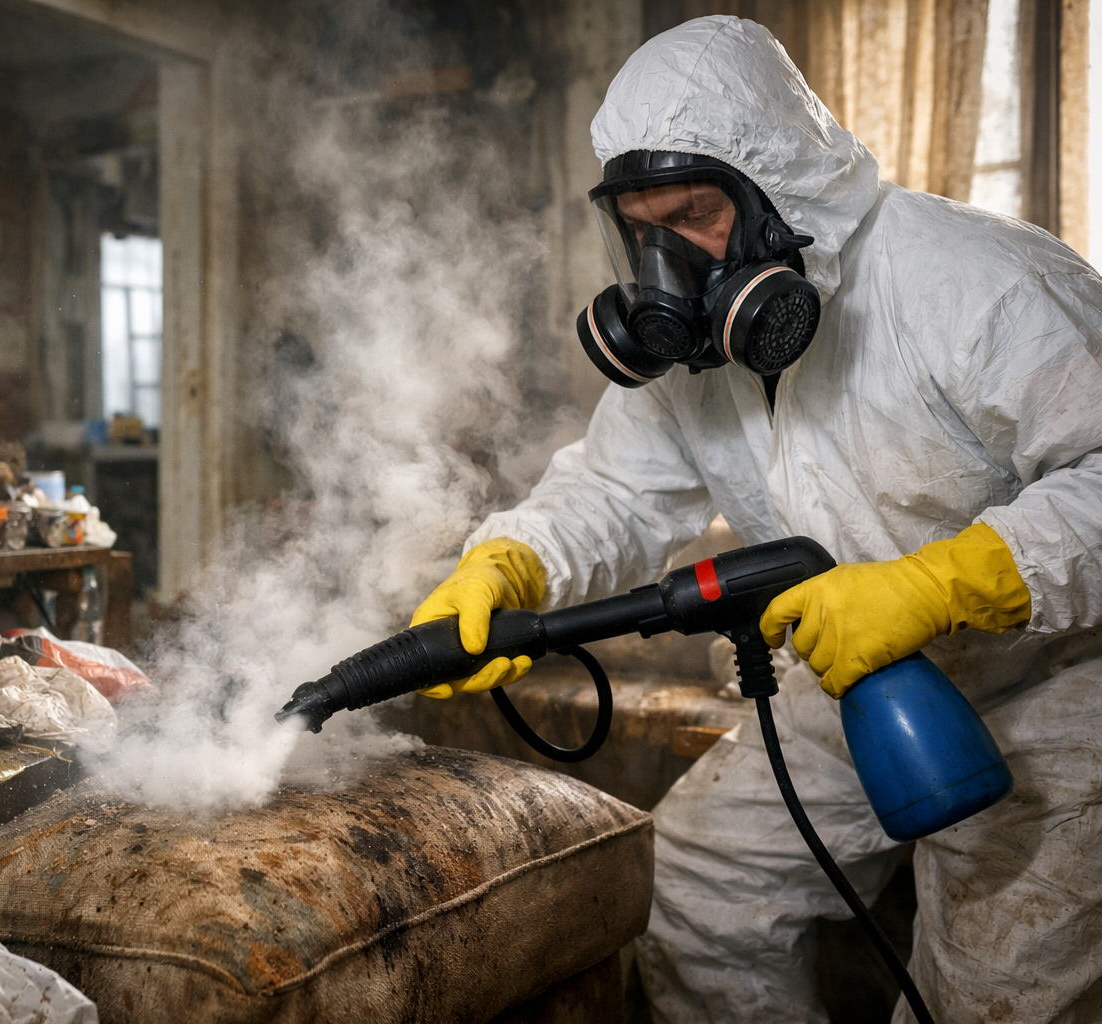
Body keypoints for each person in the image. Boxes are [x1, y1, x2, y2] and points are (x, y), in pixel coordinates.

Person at [410, 16, 1102, 1024]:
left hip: (1054, 692)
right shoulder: (696, 353)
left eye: (692, 215)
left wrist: (948, 581)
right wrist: (511, 562)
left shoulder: (979, 284)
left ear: (777, 183)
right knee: (693, 891)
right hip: (859, 685)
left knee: (982, 1003)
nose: (666, 262)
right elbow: (613, 490)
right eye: (644, 228)